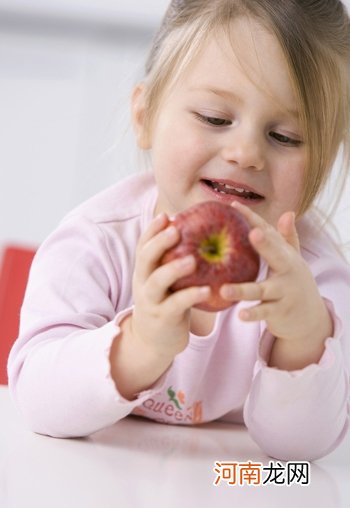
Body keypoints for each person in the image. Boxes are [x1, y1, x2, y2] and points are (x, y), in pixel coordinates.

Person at [8, 0, 350, 461]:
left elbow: (300, 462)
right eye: (214, 118)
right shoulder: (95, 242)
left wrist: (304, 339)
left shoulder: (316, 285)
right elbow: (35, 400)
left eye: (285, 137)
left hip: (230, 482)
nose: (246, 152)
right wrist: (139, 345)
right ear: (145, 116)